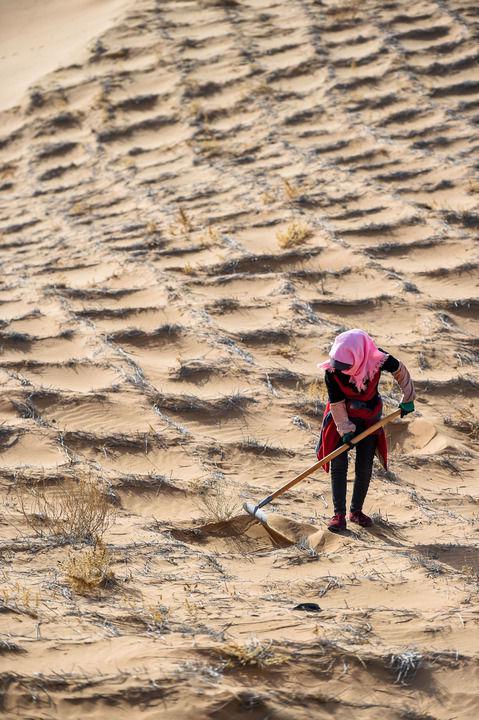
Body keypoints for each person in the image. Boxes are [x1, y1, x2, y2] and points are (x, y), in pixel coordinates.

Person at [315, 329, 416, 532]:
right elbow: (336, 403)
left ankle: (356, 511)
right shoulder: (332, 370)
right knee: (339, 464)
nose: (342, 370)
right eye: (339, 366)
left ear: (358, 355)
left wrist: (408, 397)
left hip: (369, 417)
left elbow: (400, 371)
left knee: (364, 466)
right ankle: (339, 515)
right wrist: (345, 431)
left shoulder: (378, 358)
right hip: (341, 417)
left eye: (346, 366)